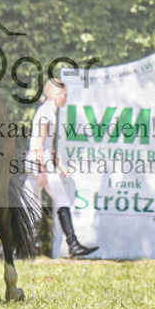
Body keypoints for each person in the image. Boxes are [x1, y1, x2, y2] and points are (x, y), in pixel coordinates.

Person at [27, 78, 99, 258]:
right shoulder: (46, 112)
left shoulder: (50, 112)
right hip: (38, 162)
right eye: (64, 95)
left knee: (36, 202)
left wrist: (60, 165)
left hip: (42, 161)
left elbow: (47, 147)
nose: (66, 99)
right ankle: (72, 245)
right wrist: (42, 171)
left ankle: (73, 245)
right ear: (56, 95)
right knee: (32, 204)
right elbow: (37, 144)